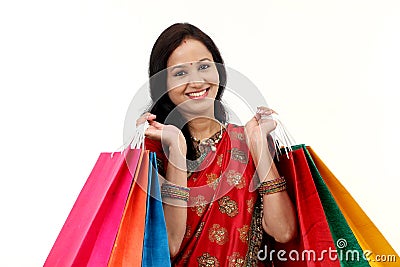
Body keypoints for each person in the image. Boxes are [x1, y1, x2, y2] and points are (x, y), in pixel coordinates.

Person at [136, 23, 297, 266]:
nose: (197, 81)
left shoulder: (247, 141)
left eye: (204, 67)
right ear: (163, 85)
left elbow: (283, 231)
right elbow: (168, 247)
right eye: (180, 73)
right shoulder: (153, 151)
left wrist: (258, 145)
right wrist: (177, 150)